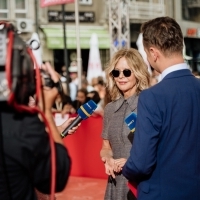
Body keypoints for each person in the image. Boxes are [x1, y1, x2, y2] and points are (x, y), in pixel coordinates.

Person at [122, 16, 200, 200]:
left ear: (153, 52)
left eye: (146, 54)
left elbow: (141, 163)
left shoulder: (152, 97)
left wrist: (125, 168)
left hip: (161, 193)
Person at [0, 62, 79, 200]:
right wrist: (47, 112)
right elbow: (57, 176)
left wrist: (59, 129)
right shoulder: (24, 126)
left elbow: (36, 143)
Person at [100, 48, 150, 200]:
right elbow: (105, 147)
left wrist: (131, 162)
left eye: (127, 72)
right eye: (116, 73)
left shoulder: (148, 105)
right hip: (115, 182)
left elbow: (159, 148)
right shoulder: (109, 109)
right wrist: (108, 159)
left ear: (138, 73)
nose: (121, 77)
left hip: (139, 183)